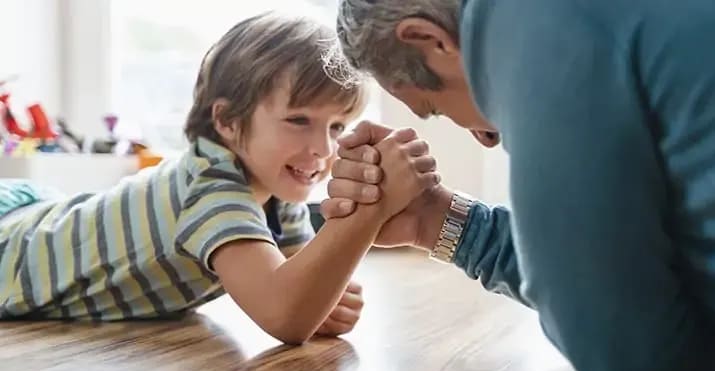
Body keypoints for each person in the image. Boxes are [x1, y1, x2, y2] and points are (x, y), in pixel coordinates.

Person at [323, 0, 715, 371]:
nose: (487, 137)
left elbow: (629, 357)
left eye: (433, 106)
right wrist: (435, 222)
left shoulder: (537, 29)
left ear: (430, 40)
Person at [0, 12, 440, 345]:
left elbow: (297, 286)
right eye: (298, 120)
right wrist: (369, 208)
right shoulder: (212, 191)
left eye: (337, 127)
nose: (323, 150)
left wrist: (321, 299)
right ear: (227, 121)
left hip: (37, 213)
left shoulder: (274, 187)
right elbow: (286, 315)